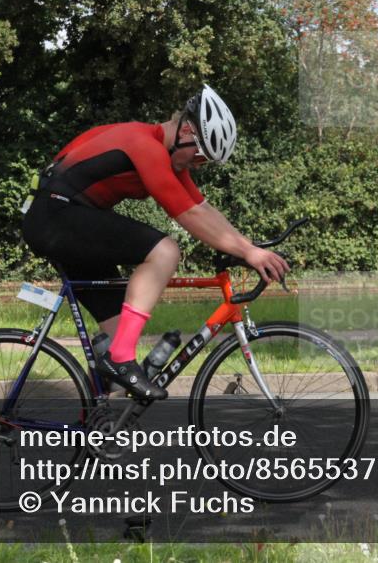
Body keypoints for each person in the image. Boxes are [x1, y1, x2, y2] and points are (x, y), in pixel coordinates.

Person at [21, 85, 289, 400]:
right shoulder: (144, 145)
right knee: (165, 251)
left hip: (64, 215)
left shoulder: (163, 152)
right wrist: (248, 252)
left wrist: (248, 247)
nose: (197, 165)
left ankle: (101, 419)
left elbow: (203, 208)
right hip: (56, 216)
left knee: (121, 332)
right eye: (201, 155)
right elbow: (187, 215)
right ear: (187, 130)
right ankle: (120, 362)